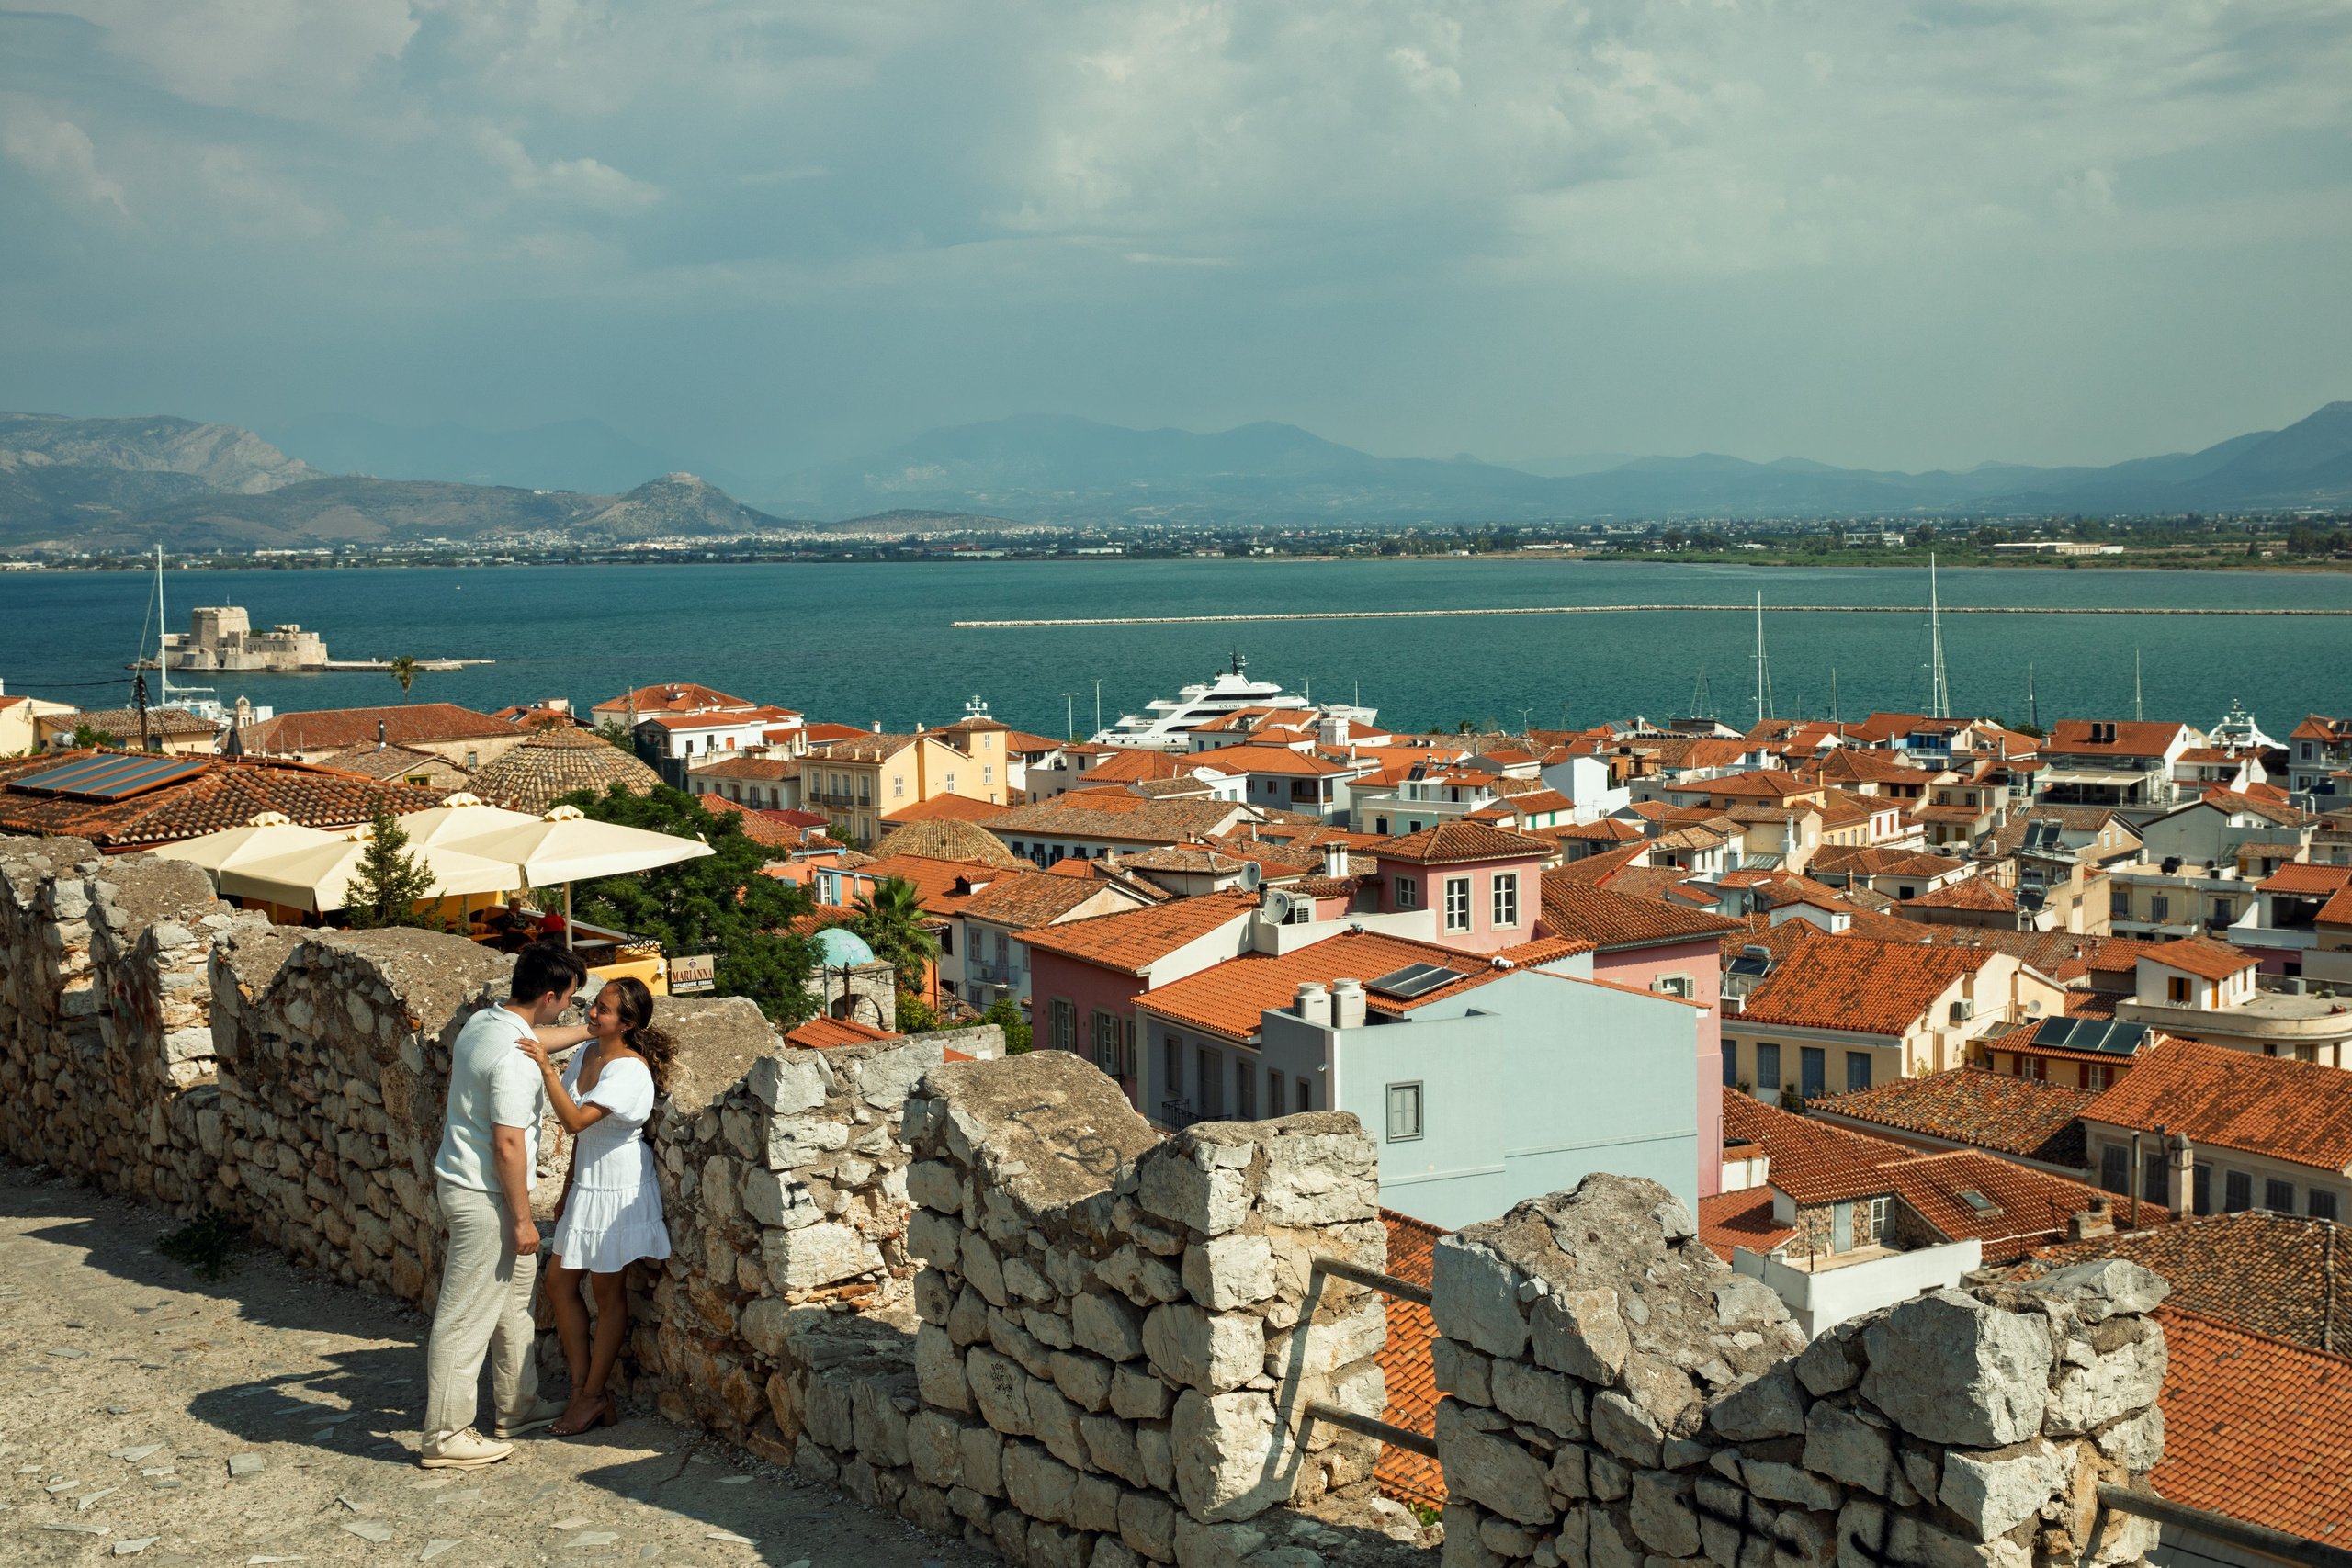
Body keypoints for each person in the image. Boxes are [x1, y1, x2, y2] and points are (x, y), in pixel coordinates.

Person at [421, 941, 592, 1469]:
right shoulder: (514, 1064)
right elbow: (509, 1144)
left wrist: (591, 1032)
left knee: (512, 1302)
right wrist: (521, 1220)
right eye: (569, 1001)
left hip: (463, 1182)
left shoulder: (486, 1024)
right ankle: (445, 1436)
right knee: (465, 1315)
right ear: (548, 994)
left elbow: (535, 1037)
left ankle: (517, 1406)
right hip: (487, 1197)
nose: (570, 1008)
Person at [515, 976, 674, 1437]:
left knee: (608, 1294)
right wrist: (566, 1189)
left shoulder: (629, 1070)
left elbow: (574, 1118)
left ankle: (589, 1396)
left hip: (619, 1184)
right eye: (593, 1006)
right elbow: (579, 1137)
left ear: (625, 1023)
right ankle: (586, 1390)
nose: (590, 1014)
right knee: (558, 1283)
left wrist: (546, 1068)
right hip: (586, 1180)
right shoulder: (587, 1054)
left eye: (601, 1010)